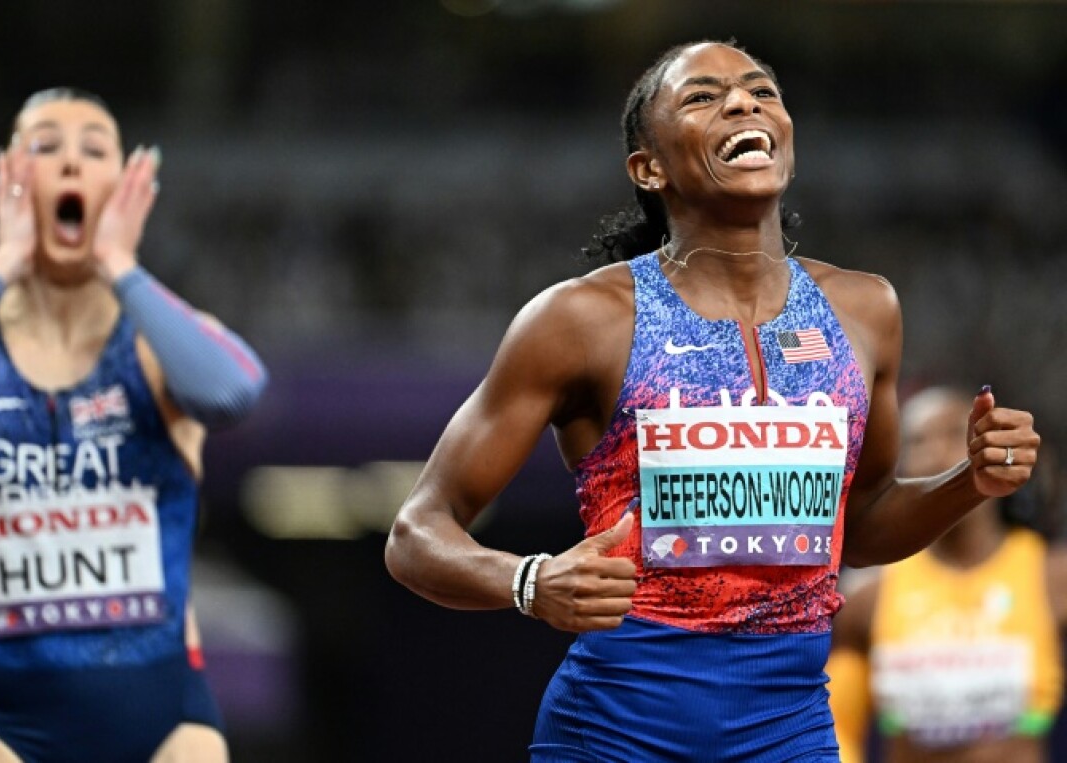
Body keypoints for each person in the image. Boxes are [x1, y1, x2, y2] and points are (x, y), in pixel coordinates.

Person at [383, 40, 1040, 762]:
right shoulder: (581, 320)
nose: (741, 102)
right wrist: (530, 581)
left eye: (762, 91)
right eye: (702, 96)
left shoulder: (864, 308)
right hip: (614, 734)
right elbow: (416, 531)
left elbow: (860, 525)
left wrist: (967, 481)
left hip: (788, 732)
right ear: (649, 167)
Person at [0, 87, 268, 763]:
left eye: (94, 148)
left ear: (130, 189)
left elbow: (234, 390)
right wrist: (2, 262)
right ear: (4, 186)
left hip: (168, 725)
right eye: (45, 147)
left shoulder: (160, 348)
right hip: (11, 730)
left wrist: (122, 267)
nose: (71, 163)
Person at [827, 386, 1067, 763]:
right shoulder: (868, 597)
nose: (938, 453)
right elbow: (838, 729)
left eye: (955, 434)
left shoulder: (1052, 578)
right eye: (919, 441)